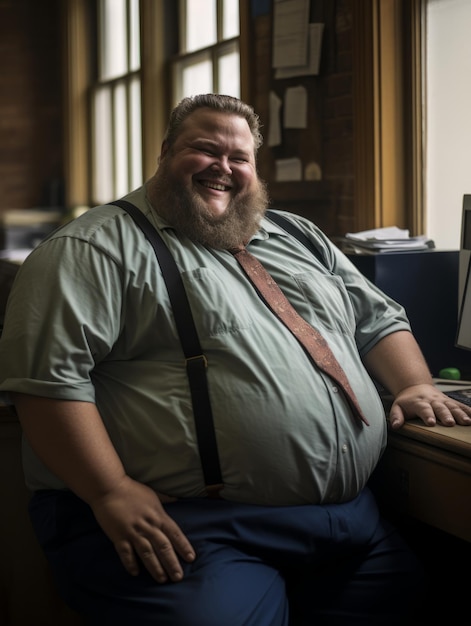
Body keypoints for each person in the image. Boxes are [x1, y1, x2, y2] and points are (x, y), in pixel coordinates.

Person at [0, 93, 470, 626]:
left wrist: (412, 385)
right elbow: (44, 384)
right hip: (192, 527)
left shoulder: (297, 234)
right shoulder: (92, 249)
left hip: (346, 523)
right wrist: (111, 492)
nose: (223, 167)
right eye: (205, 150)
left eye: (239, 157)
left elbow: (378, 319)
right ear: (164, 152)